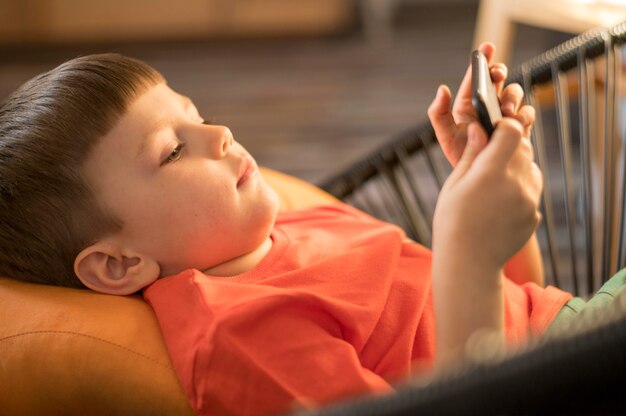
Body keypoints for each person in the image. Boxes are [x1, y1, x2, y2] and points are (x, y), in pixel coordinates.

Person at [0, 43, 592, 415]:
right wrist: (465, 246)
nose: (221, 133)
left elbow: (523, 306)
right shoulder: (242, 335)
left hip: (570, 332)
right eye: (174, 151)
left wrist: (486, 184)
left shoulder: (284, 220)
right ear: (118, 263)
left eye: (198, 116)